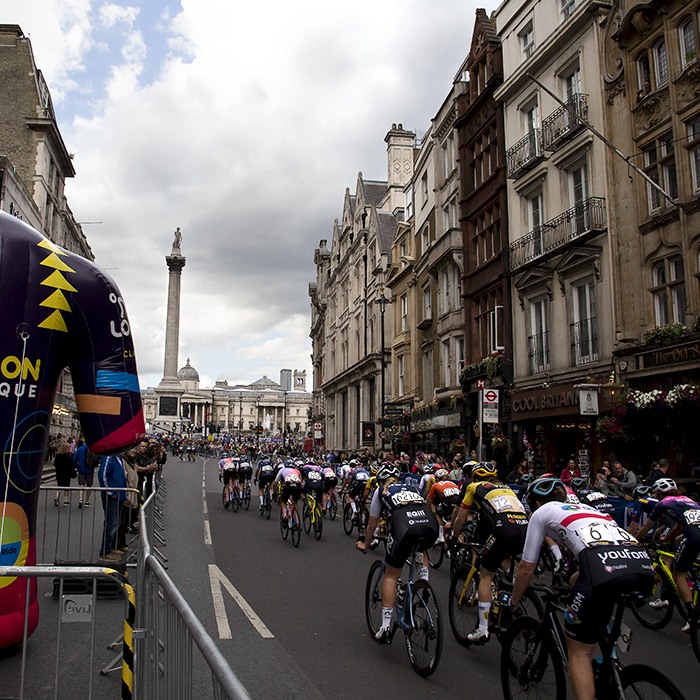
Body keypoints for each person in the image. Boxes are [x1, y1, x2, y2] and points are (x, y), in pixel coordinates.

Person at [511, 477, 654, 700]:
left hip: (602, 566)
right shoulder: (584, 507)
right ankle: (608, 657)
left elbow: (526, 569)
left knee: (578, 652)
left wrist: (514, 601)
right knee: (577, 582)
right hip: (641, 563)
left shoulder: (541, 513)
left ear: (535, 504)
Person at [356, 464, 438, 642]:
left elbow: (372, 524)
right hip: (429, 526)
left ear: (380, 480)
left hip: (405, 528)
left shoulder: (380, 491)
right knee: (420, 547)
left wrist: (366, 543)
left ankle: (385, 626)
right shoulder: (411, 487)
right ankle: (423, 584)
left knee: (391, 576)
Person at [448, 462, 528, 644]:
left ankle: (482, 629)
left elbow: (461, 516)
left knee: (485, 573)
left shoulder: (474, 486)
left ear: (475, 477)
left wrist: (455, 536)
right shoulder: (506, 487)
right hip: (524, 528)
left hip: (503, 528)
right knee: (504, 559)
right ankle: (514, 591)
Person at [636, 478, 700, 631]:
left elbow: (647, 525)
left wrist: (634, 540)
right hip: (694, 531)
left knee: (679, 574)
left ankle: (691, 616)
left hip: (694, 535)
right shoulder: (687, 500)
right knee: (678, 541)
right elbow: (679, 526)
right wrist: (666, 539)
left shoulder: (662, 503)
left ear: (658, 494)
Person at [97, 451, 128, 561]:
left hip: (119, 495)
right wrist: (111, 492)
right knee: (111, 524)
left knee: (116, 523)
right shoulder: (109, 456)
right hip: (112, 496)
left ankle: (112, 547)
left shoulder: (118, 456)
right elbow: (103, 475)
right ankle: (105, 551)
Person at [425, 469, 459, 543]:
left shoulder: (435, 485)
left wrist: (426, 511)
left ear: (437, 478)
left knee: (435, 507)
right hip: (458, 500)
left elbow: (429, 501)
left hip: (448, 501)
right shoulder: (452, 483)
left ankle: (440, 535)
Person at [73, 440, 99, 508]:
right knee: (89, 485)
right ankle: (87, 501)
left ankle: (80, 498)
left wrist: (76, 466)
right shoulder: (92, 449)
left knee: (81, 484)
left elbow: (74, 458)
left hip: (81, 469)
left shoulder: (80, 448)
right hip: (90, 469)